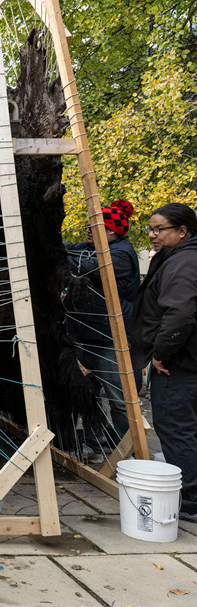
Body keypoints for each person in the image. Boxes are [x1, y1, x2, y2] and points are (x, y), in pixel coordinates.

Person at [131, 202, 197, 523]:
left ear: (182, 231)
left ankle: (191, 500)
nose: (153, 235)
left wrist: (159, 354)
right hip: (185, 360)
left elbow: (180, 313)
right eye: (151, 229)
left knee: (175, 427)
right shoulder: (181, 258)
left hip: (178, 364)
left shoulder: (182, 262)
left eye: (160, 229)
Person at [63, 200, 140, 462]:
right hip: (85, 335)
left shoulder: (121, 255)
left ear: (112, 232)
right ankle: (97, 438)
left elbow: (86, 267)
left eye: (94, 226)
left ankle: (125, 446)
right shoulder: (90, 247)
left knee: (119, 397)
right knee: (88, 392)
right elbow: (65, 250)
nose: (86, 229)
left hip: (110, 339)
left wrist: (60, 257)